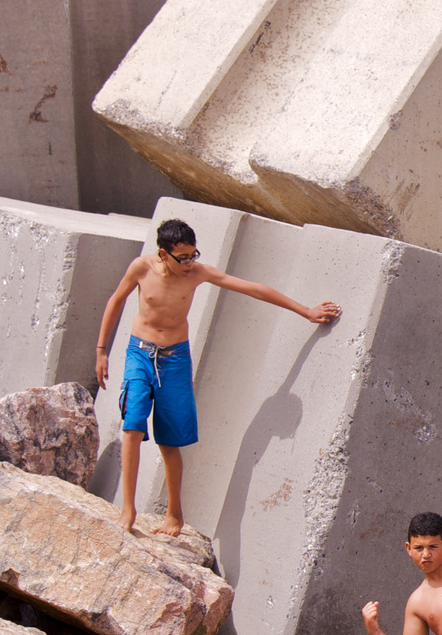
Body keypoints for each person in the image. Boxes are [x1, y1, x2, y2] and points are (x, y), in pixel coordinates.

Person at [94, 218, 341, 536]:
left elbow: (254, 289)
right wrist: (101, 350)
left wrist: (305, 310)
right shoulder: (141, 268)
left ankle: (174, 514)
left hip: (175, 361)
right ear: (162, 254)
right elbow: (116, 301)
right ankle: (127, 510)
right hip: (139, 353)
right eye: (182, 257)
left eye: (193, 254)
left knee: (170, 441)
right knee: (132, 426)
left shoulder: (198, 273)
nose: (189, 263)